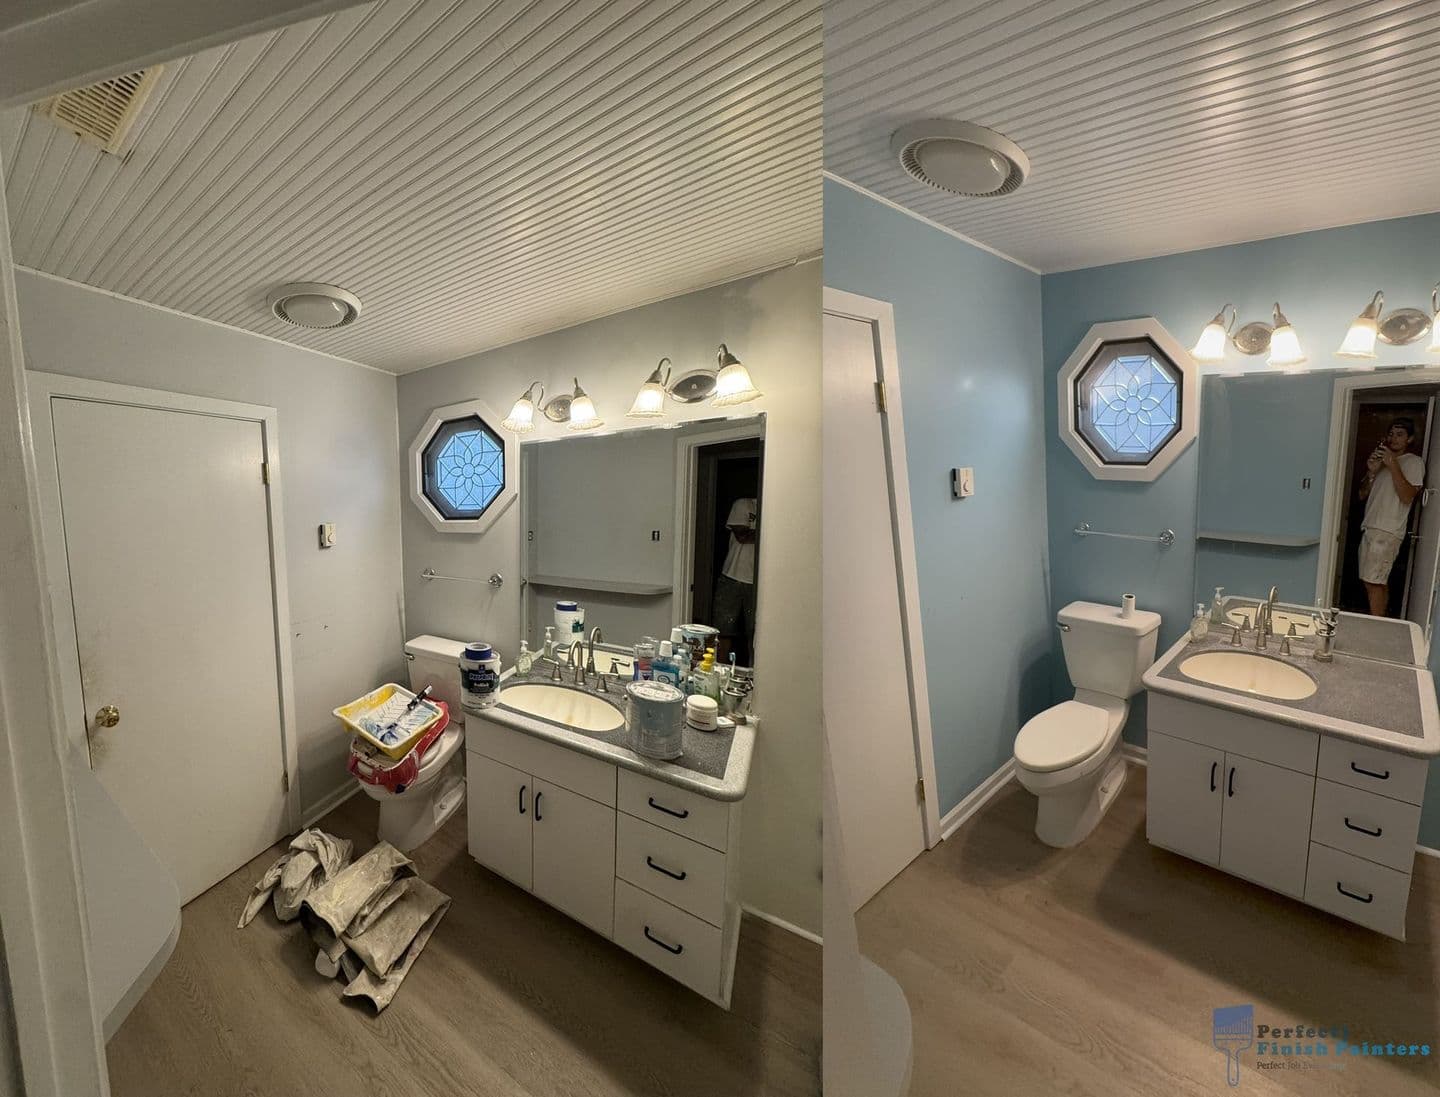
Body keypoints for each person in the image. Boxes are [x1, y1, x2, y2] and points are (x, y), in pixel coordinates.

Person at [1357, 417, 1424, 616]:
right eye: (1391, 434)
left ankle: (1375, 628)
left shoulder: (1414, 462)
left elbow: (1407, 496)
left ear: (1410, 439)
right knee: (1376, 581)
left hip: (1387, 532)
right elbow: (1362, 495)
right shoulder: (1381, 464)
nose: (1393, 438)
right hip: (1371, 527)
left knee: (1372, 581)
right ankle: (1381, 622)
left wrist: (1393, 464)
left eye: (1400, 434)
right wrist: (1372, 473)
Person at [712, 497, 757, 663]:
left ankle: (755, 672)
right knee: (724, 629)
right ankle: (718, 668)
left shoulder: (777, 510)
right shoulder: (744, 504)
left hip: (759, 582)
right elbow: (742, 535)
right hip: (732, 576)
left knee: (755, 633)